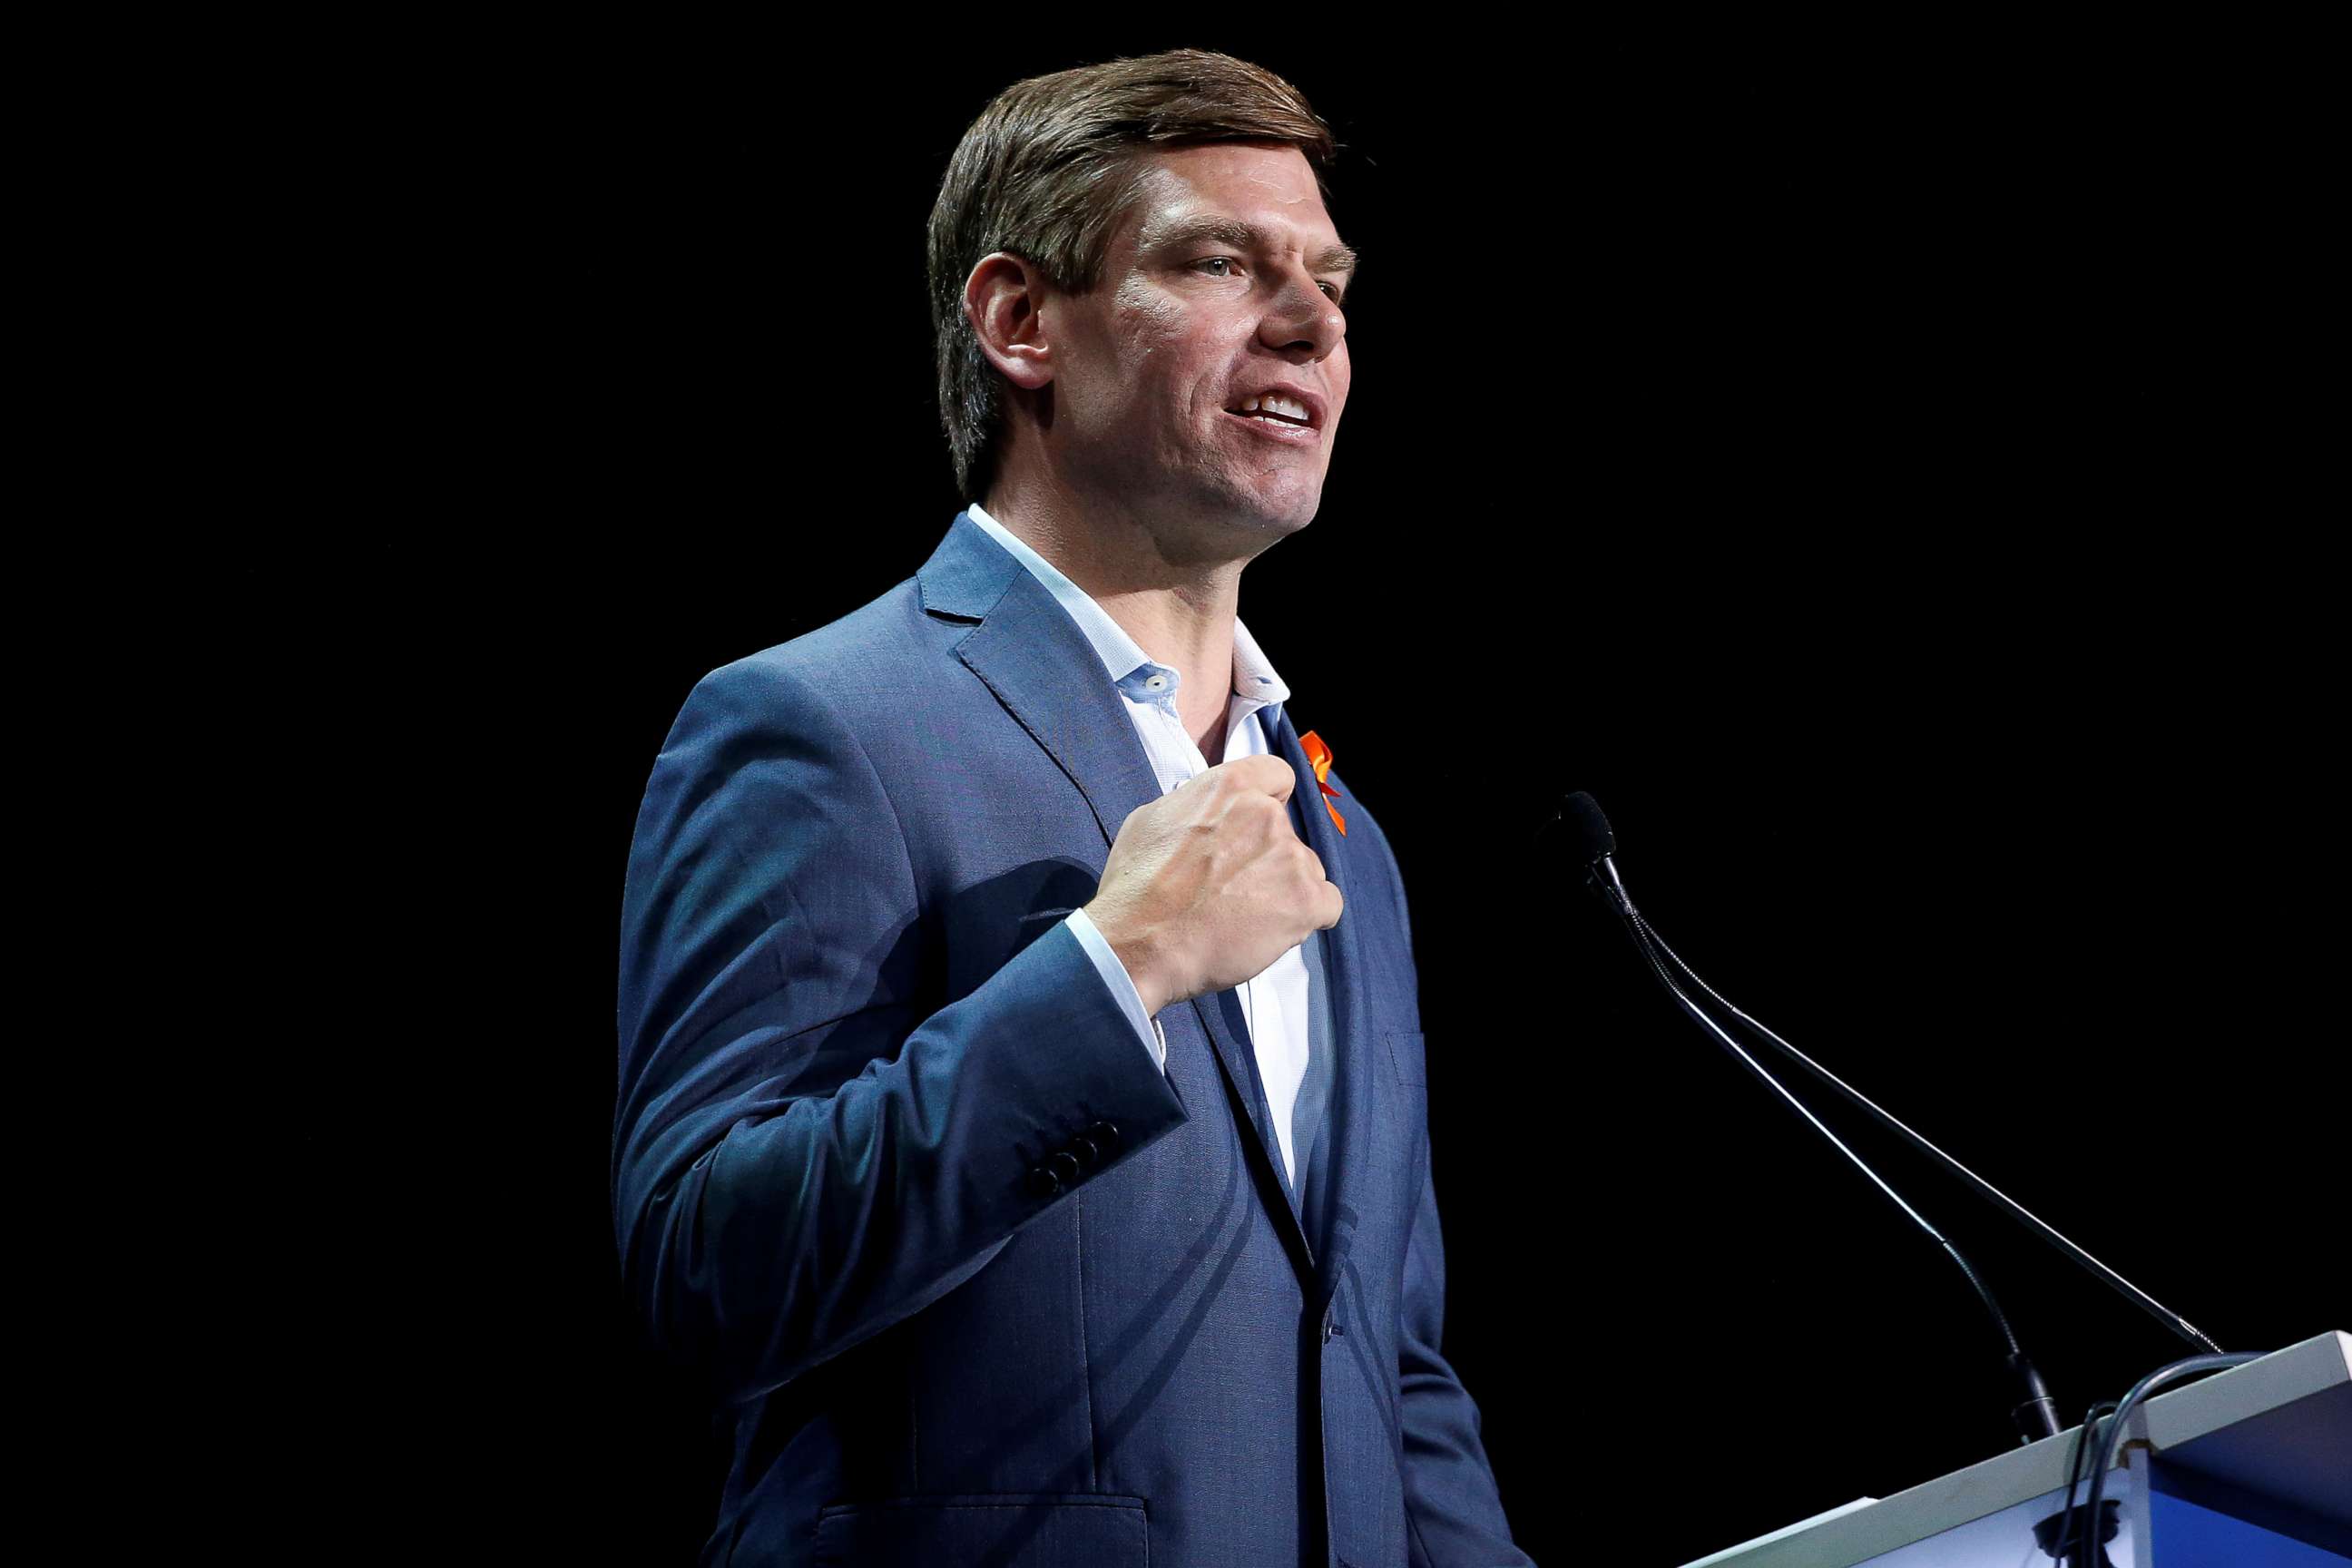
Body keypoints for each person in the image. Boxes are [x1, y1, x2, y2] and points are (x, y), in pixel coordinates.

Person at [614, 49, 1529, 1566]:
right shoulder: (820, 725)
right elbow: (707, 1271)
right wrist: (1115, 977)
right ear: (1022, 322)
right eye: (1221, 262)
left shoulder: (1336, 831)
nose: (1309, 320)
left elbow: (1390, 1364)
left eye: (1331, 283)